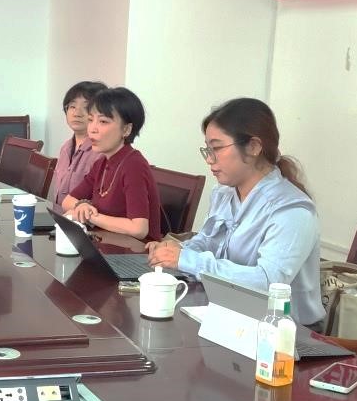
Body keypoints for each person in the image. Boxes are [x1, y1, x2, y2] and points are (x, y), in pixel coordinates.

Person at [146, 98, 323, 327]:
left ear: (253, 147)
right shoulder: (224, 193)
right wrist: (177, 250)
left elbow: (268, 283)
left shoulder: (292, 210)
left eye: (217, 148)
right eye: (207, 150)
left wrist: (187, 260)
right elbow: (207, 241)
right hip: (230, 313)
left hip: (285, 331)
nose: (209, 159)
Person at [61, 86, 163, 242]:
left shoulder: (134, 165)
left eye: (103, 121)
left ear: (126, 129)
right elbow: (67, 201)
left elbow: (139, 228)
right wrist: (82, 206)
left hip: (136, 252)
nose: (92, 129)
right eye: (90, 120)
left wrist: (89, 216)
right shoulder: (102, 162)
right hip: (108, 245)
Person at [51, 80, 107, 205]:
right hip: (59, 215)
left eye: (86, 107)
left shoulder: (101, 153)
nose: (77, 113)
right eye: (72, 106)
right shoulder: (65, 148)